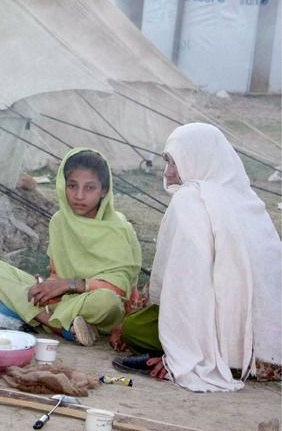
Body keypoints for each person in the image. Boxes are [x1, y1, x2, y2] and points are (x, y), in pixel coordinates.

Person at [111, 123, 281, 392]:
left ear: (197, 160)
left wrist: (182, 357)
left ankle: (209, 357)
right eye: (167, 162)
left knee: (135, 328)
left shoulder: (190, 199)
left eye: (175, 163)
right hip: (271, 348)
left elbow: (188, 289)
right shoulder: (249, 201)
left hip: (221, 332)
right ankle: (226, 357)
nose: (168, 173)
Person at [0, 148, 141, 346]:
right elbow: (56, 274)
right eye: (72, 186)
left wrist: (69, 285)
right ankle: (57, 325)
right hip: (62, 301)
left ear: (104, 190)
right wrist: (47, 287)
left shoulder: (118, 228)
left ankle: (20, 311)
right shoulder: (59, 221)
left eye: (89, 188)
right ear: (62, 185)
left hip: (94, 304)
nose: (79, 195)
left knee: (105, 302)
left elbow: (120, 288)